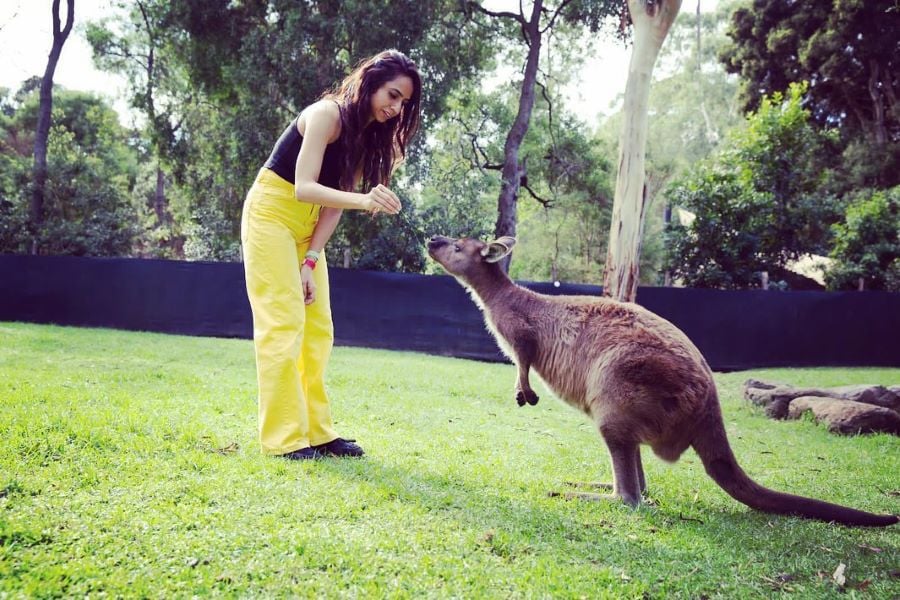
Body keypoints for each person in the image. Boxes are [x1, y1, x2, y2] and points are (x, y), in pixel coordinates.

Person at [240, 49, 422, 460]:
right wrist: (365, 200)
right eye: (392, 96)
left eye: (403, 103)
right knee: (282, 323)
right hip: (271, 213)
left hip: (307, 229)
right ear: (370, 84)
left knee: (318, 328)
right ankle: (284, 440)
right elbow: (303, 187)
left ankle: (318, 433)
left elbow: (332, 206)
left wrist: (310, 260)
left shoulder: (366, 139)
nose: (395, 108)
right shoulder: (326, 114)